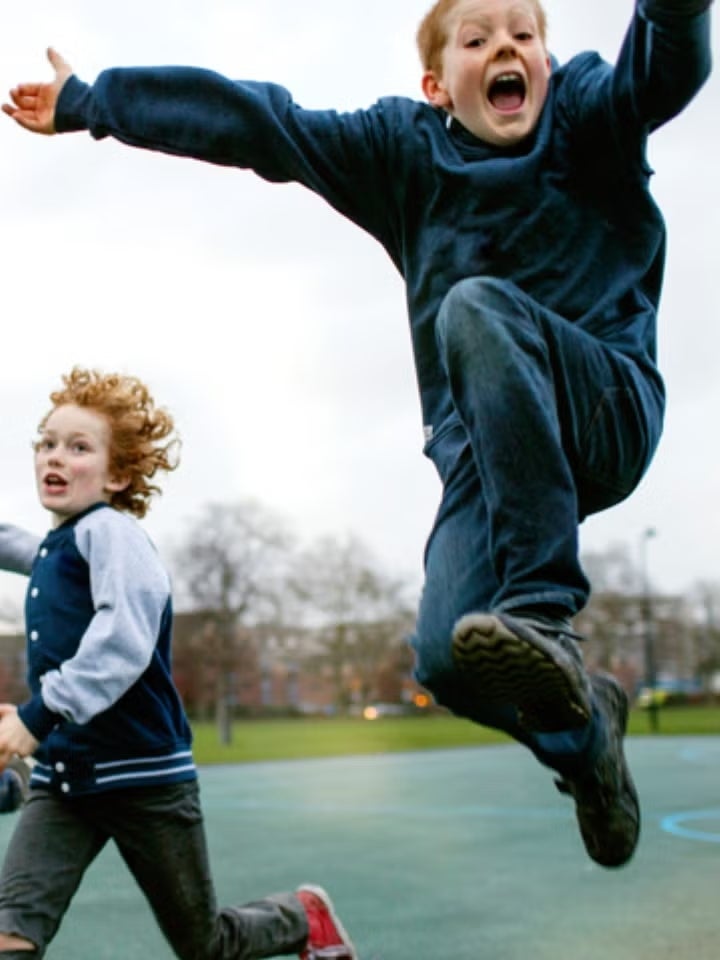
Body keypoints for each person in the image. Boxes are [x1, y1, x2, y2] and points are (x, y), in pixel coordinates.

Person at [2, 0, 713, 870]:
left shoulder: (586, 111)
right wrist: (93, 101)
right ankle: (585, 742)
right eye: (479, 39)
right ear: (436, 85)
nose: (506, 50)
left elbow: (665, 70)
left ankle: (542, 609)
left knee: (475, 309)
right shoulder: (401, 151)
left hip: (606, 408)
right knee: (448, 657)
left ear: (547, 59)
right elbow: (263, 123)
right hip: (488, 461)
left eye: (523, 36)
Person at [0, 368, 357, 959]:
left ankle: (302, 916)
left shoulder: (113, 536)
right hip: (64, 780)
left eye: (78, 446)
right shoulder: (56, 545)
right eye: (46, 442)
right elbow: (19, 544)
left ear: (117, 475)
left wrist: (38, 715)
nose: (54, 456)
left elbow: (122, 641)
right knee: (11, 932)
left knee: (203, 944)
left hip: (144, 779)